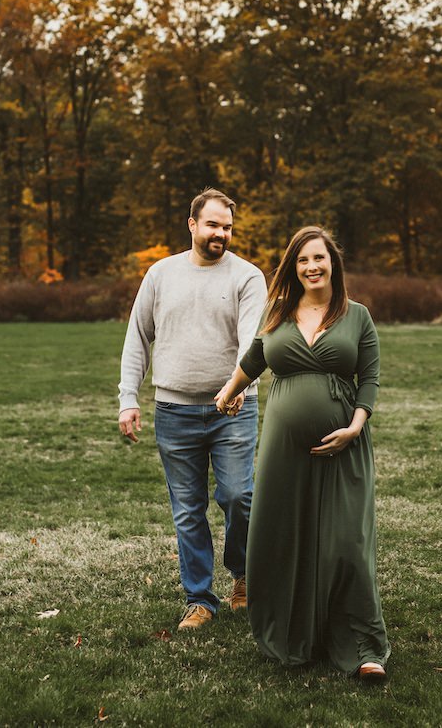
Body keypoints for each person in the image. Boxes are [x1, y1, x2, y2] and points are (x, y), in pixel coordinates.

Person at [214, 226, 390, 681]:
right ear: (294, 268)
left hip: (343, 448)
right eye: (302, 261)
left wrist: (354, 427)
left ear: (334, 262)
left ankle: (362, 647)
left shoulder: (358, 316)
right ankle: (294, 636)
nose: (312, 267)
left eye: (319, 258)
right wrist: (229, 391)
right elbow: (255, 358)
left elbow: (369, 379)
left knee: (347, 544)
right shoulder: (277, 312)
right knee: (282, 536)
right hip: (283, 448)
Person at [117, 188, 267, 631]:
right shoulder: (160, 274)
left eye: (228, 227)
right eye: (214, 225)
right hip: (174, 411)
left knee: (239, 496)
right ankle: (199, 599)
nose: (221, 233)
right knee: (187, 509)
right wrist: (129, 397)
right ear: (192, 225)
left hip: (233, 408)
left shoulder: (247, 276)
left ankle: (243, 577)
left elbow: (252, 340)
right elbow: (137, 338)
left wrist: (240, 384)